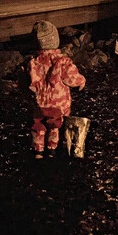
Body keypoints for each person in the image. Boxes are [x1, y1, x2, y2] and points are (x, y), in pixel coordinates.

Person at [26, 20, 85, 159]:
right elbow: (71, 78)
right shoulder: (62, 61)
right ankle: (51, 149)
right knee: (54, 126)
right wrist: (81, 81)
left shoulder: (33, 61)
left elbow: (26, 80)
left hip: (39, 102)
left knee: (38, 124)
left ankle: (38, 150)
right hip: (57, 103)